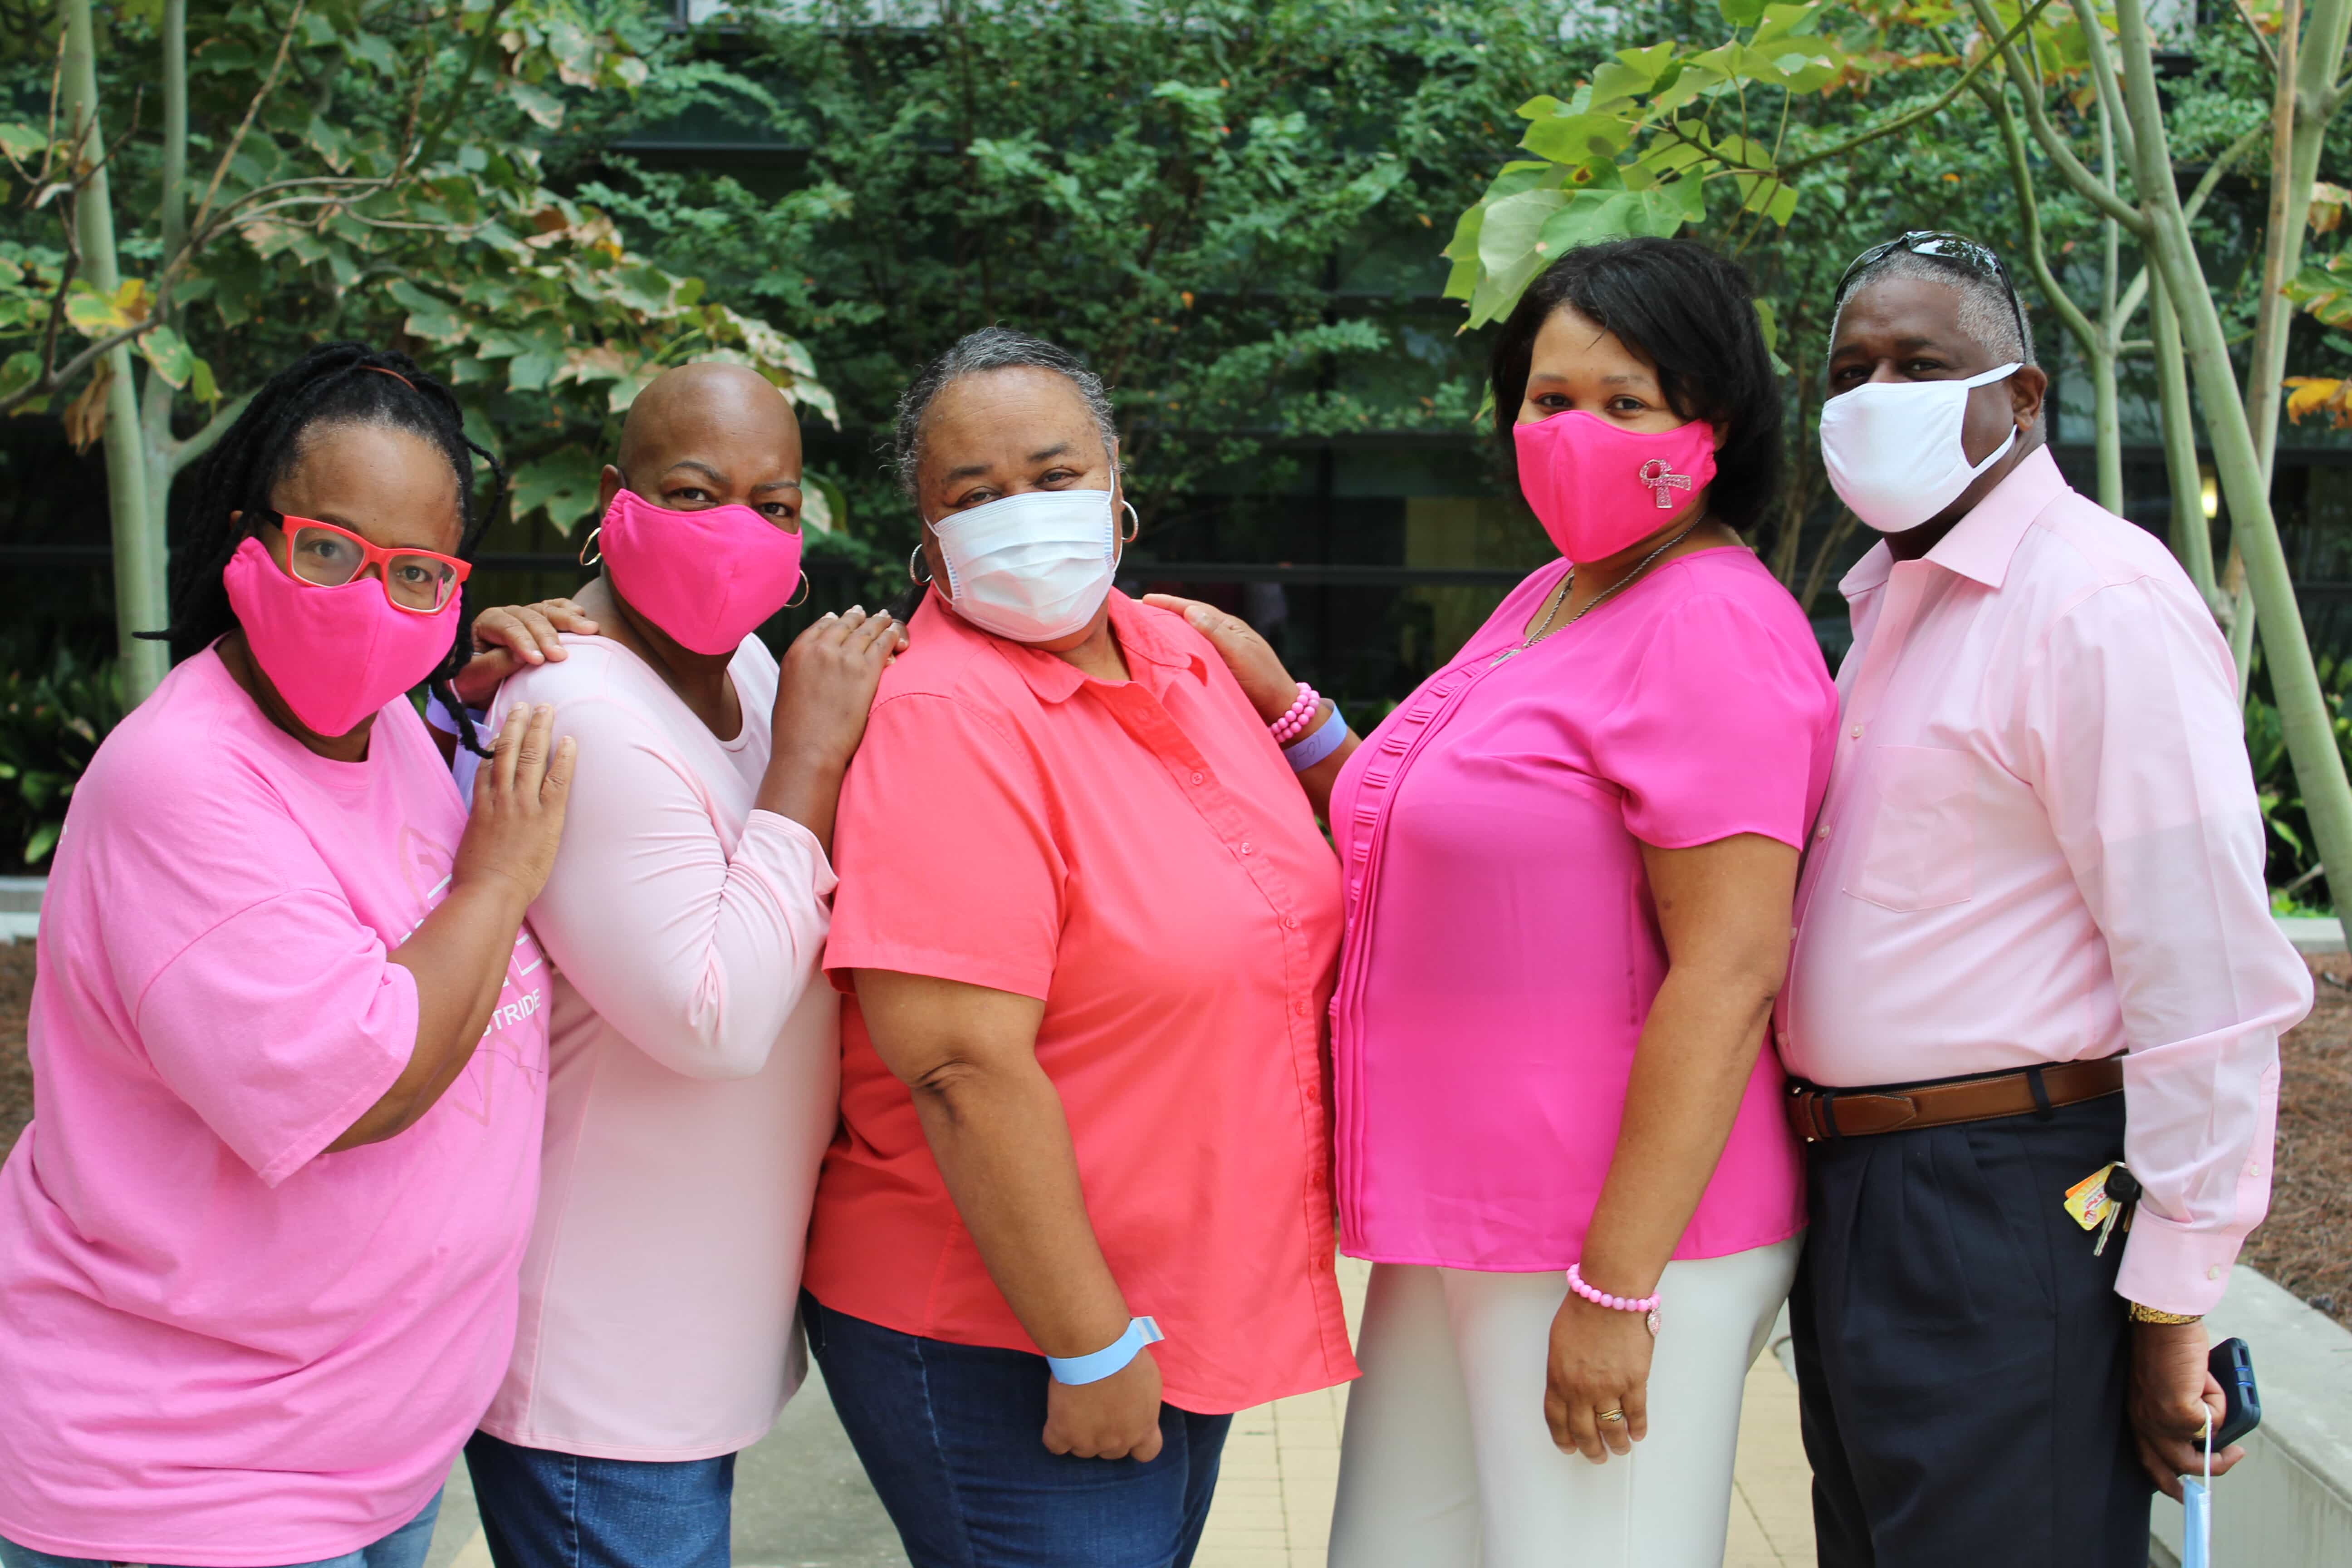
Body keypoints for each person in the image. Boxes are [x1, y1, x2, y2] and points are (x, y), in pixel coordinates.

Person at [1157, 237, 1839, 1566]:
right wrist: (1285, 706)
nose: (1572, 430)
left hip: (1612, 1244)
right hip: (1460, 1225)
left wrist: (1615, 1287)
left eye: (1623, 402)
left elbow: (1732, 969)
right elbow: (1453, 839)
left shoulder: (1714, 625)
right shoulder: (1552, 597)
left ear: (1715, 425)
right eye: (1546, 397)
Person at [1782, 231, 2313, 1568]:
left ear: (2020, 399)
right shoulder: (1897, 608)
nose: (1876, 395)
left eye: (1921, 364)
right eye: (1852, 370)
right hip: (1864, 1193)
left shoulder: (2098, 601)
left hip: (2011, 1198)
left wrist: (2172, 1306)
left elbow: (2208, 978)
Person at [0, 344, 573, 1568]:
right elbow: (364, 1080)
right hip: (189, 1476)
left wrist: (460, 689)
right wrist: (500, 873)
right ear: (245, 535)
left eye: (416, 575)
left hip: (370, 1456)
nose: (369, 601)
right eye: (330, 550)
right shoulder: (184, 782)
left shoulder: (398, 732)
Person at [801, 327, 1357, 1568]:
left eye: (1053, 476)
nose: (1022, 515)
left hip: (1172, 1304)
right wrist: (1090, 1342)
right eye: (974, 495)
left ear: (1118, 485)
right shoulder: (946, 718)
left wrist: (1303, 717)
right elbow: (959, 1068)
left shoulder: (1189, 658)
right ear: (926, 535)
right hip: (1018, 1333)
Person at [441, 363, 902, 1568]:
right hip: (602, 1374)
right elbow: (715, 1017)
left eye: (776, 504)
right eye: (693, 493)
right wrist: (811, 758)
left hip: (687, 1340)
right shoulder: (580, 711)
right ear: (614, 496)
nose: (735, 535)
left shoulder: (745, 672)